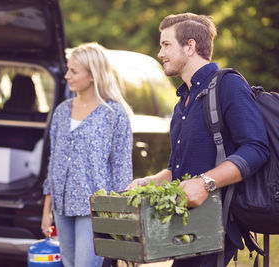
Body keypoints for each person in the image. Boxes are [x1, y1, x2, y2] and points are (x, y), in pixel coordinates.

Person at [127, 13, 269, 266]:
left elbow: (256, 149)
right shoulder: (182, 104)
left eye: (166, 44)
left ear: (190, 46)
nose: (160, 53)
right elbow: (178, 169)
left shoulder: (229, 86)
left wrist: (205, 184)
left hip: (219, 227)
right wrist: (150, 182)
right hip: (188, 229)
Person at [41, 42, 133, 267]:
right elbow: (54, 162)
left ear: (92, 75)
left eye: (73, 71)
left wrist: (121, 219)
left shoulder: (115, 114)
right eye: (68, 70)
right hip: (61, 206)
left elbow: (121, 169)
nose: (66, 76)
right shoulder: (62, 111)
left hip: (93, 209)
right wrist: (47, 210)